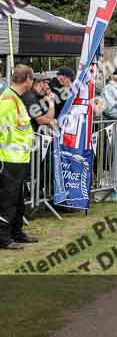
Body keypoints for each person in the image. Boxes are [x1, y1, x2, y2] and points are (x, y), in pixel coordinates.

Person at [0, 65, 37, 249]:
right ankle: (3, 238)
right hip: (9, 159)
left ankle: (17, 232)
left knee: (18, 200)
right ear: (28, 79)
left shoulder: (16, 98)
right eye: (33, 78)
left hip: (19, 158)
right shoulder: (8, 100)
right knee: (8, 200)